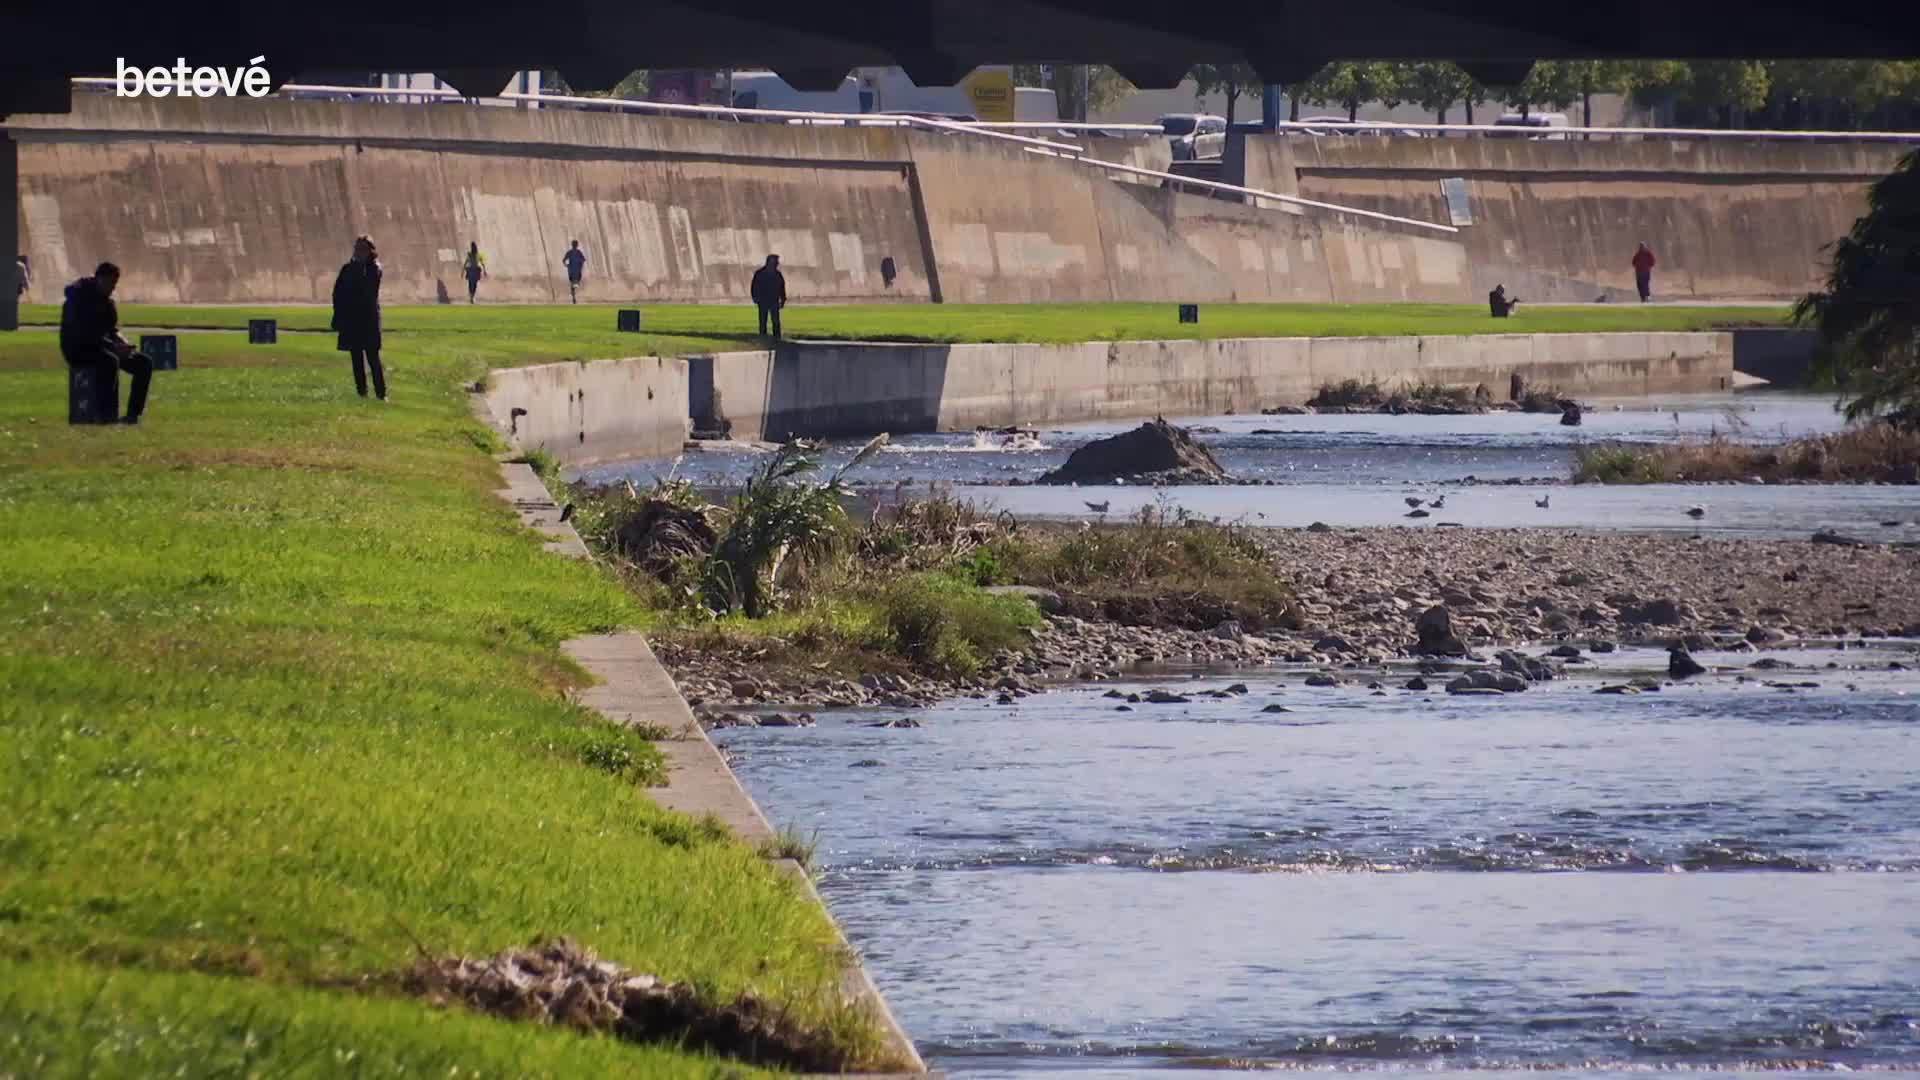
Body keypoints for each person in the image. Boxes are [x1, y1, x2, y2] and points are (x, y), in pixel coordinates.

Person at [60, 261, 151, 425]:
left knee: (143, 363)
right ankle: (107, 416)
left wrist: (124, 344)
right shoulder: (80, 298)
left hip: (103, 346)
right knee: (110, 361)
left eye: (115, 284)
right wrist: (114, 347)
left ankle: (132, 415)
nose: (113, 288)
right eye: (110, 283)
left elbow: (112, 330)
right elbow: (85, 334)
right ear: (99, 279)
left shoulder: (108, 303)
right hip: (78, 348)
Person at [331, 236, 385, 400]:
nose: (359, 252)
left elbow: (367, 289)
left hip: (368, 320)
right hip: (352, 319)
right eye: (357, 248)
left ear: (370, 251)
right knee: (356, 358)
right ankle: (362, 392)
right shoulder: (348, 269)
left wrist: (359, 266)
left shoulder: (374, 269)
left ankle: (381, 393)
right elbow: (338, 292)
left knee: (373, 358)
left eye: (362, 249)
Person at [751, 254, 786, 338]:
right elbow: (754, 286)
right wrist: (755, 297)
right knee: (763, 321)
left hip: (774, 300)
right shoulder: (760, 274)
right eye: (776, 262)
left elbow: (781, 287)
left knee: (776, 321)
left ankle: (777, 338)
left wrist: (783, 299)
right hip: (763, 300)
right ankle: (763, 337)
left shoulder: (778, 274)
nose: (777, 263)